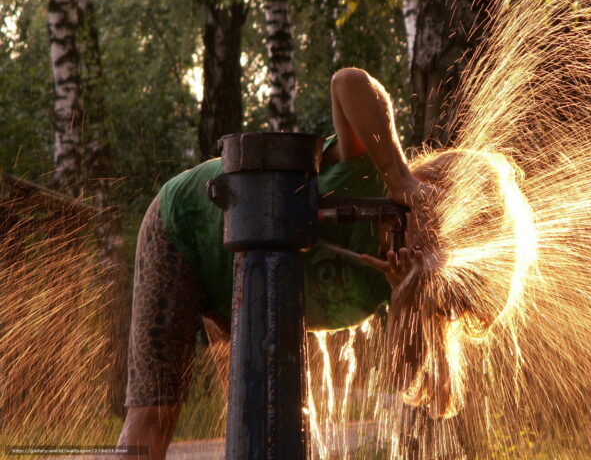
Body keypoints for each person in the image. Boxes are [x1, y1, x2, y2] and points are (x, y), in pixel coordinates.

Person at [117, 68, 434, 458]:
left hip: (247, 286)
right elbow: (349, 81)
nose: (422, 245)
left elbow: (409, 381)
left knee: (262, 422)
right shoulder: (369, 170)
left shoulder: (414, 280)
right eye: (429, 222)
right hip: (187, 227)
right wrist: (400, 178)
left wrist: (406, 295)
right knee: (155, 412)